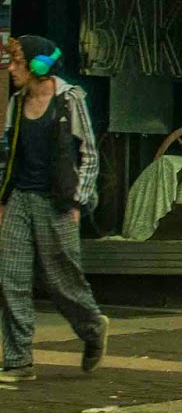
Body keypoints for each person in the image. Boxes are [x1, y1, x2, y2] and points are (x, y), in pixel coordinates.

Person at [0, 35, 109, 382]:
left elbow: (89, 154)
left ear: (38, 66)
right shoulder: (16, 102)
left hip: (57, 201)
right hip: (20, 199)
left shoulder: (68, 99)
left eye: (17, 62)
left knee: (62, 281)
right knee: (11, 279)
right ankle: (18, 361)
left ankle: (92, 328)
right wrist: (2, 199)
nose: (11, 68)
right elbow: (7, 152)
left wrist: (78, 200)